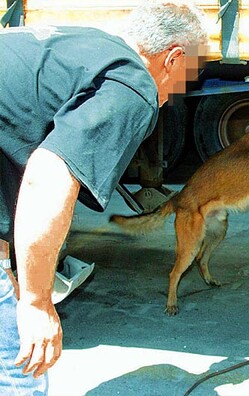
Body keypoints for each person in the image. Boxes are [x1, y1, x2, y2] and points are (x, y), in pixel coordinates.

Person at [0, 1, 207, 393]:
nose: (176, 95)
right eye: (187, 78)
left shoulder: (81, 49)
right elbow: (48, 175)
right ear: (173, 58)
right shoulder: (133, 83)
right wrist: (36, 302)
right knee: (20, 370)